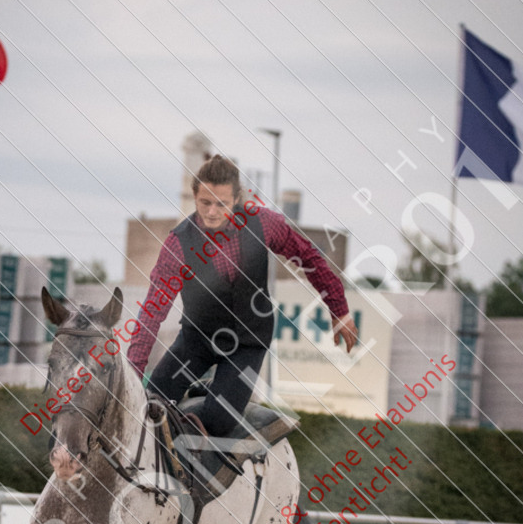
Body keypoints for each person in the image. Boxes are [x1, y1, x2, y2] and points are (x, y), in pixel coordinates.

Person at [127, 154, 358, 437]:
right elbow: (152, 311)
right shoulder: (179, 244)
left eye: (221, 203)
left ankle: (213, 397)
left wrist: (339, 309)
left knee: (218, 421)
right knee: (150, 404)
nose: (212, 212)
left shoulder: (264, 223)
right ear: (195, 196)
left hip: (246, 343)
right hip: (197, 340)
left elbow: (309, 257)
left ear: (236, 199)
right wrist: (133, 371)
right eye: (205, 203)